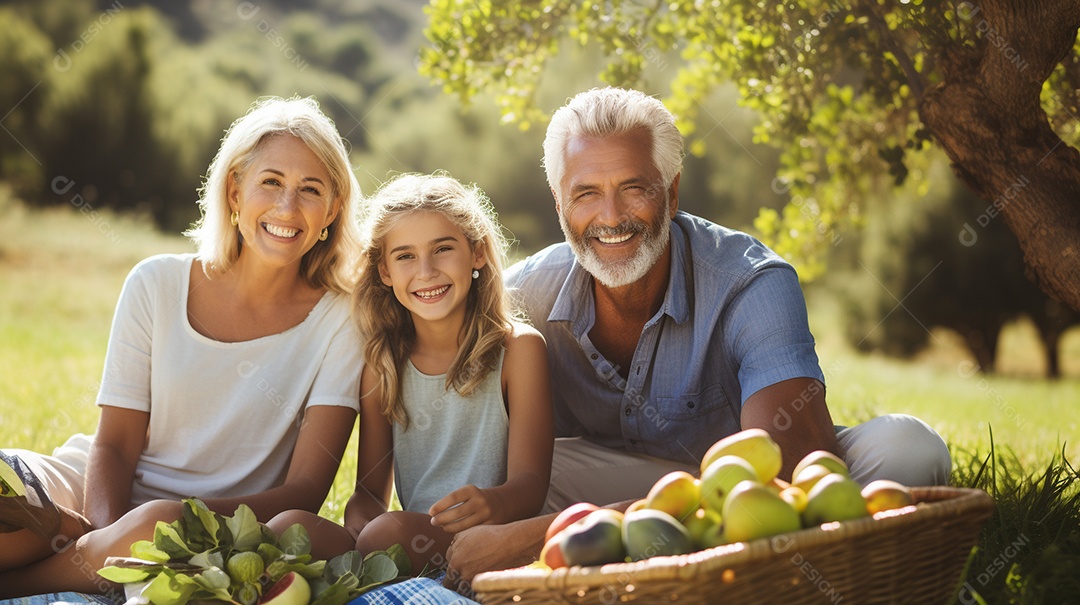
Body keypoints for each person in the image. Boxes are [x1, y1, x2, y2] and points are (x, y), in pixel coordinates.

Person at [439, 86, 953, 587]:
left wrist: (536, 535)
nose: (612, 217)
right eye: (586, 194)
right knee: (492, 475)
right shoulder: (524, 294)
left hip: (746, 490)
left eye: (634, 188)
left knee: (909, 449)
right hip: (617, 484)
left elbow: (786, 472)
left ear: (673, 191)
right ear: (558, 203)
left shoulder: (751, 282)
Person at [0, 96, 365, 597]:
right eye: (271, 182)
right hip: (89, 492)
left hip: (215, 528)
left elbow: (305, 491)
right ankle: (81, 552)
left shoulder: (341, 319)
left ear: (333, 209)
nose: (287, 207)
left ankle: (29, 582)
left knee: (151, 526)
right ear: (235, 191)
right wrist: (106, 534)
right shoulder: (155, 282)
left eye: (310, 190)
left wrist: (161, 525)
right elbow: (113, 444)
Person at [268, 173, 553, 575]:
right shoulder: (382, 365)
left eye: (443, 249)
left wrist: (496, 503)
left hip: (486, 539)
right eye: (405, 256)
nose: (426, 271)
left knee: (388, 536)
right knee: (287, 528)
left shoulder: (520, 349)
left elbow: (531, 486)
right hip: (404, 534)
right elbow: (369, 491)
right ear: (384, 272)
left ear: (477, 253)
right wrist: (361, 516)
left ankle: (373, 566)